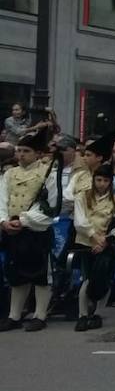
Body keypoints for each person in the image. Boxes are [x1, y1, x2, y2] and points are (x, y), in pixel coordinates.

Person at [0, 128, 60, 332]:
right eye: (19, 150)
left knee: (40, 274)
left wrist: (24, 221)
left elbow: (50, 206)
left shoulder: (48, 174)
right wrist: (4, 221)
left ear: (37, 153)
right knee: (16, 273)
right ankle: (14, 315)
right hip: (12, 231)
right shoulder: (9, 173)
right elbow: (2, 199)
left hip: (36, 231)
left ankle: (40, 314)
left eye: (26, 151)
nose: (21, 155)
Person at [71, 162, 115, 331]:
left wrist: (106, 240)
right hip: (86, 243)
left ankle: (97, 313)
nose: (102, 184)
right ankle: (82, 314)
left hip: (106, 244)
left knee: (104, 278)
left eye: (105, 180)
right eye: (98, 180)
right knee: (88, 279)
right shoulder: (82, 197)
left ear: (110, 182)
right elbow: (80, 221)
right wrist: (94, 237)